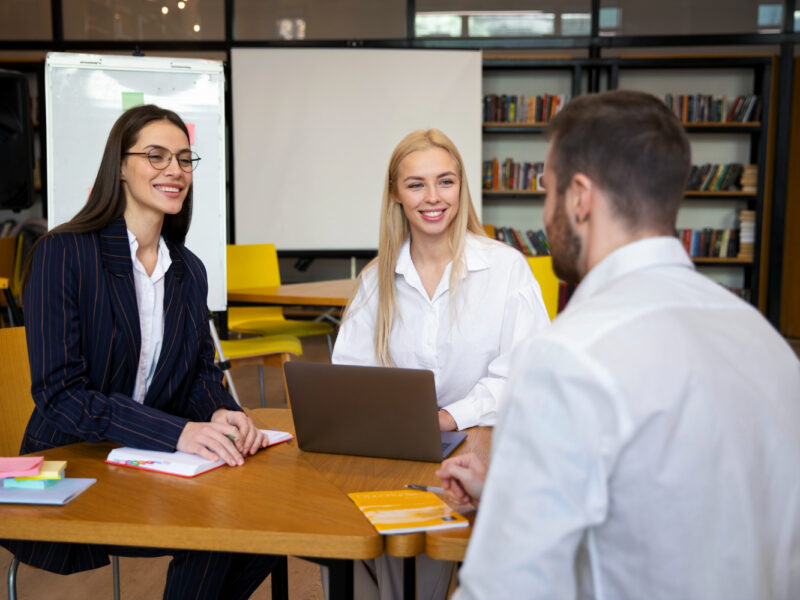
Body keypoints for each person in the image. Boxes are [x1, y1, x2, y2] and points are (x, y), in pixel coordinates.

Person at [436, 90, 800, 600]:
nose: (545, 212)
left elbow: (506, 588)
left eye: (548, 190)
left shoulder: (567, 356)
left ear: (580, 197)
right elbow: (696, 510)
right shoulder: (769, 346)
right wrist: (511, 493)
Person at [1, 104, 278, 599]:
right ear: (120, 167)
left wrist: (222, 412)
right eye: (156, 155)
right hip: (68, 461)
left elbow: (197, 374)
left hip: (148, 460)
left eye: (184, 158)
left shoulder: (188, 269)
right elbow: (60, 395)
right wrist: (179, 433)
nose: (174, 169)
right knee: (216, 535)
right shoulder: (63, 253)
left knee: (269, 524)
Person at [332, 128, 550, 599]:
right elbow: (350, 378)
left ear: (461, 187)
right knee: (341, 536)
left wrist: (451, 416)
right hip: (401, 443)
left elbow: (525, 372)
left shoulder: (506, 268)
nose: (433, 197)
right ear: (396, 195)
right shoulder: (376, 279)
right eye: (416, 184)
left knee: (420, 538)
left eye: (445, 182)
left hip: (483, 438)